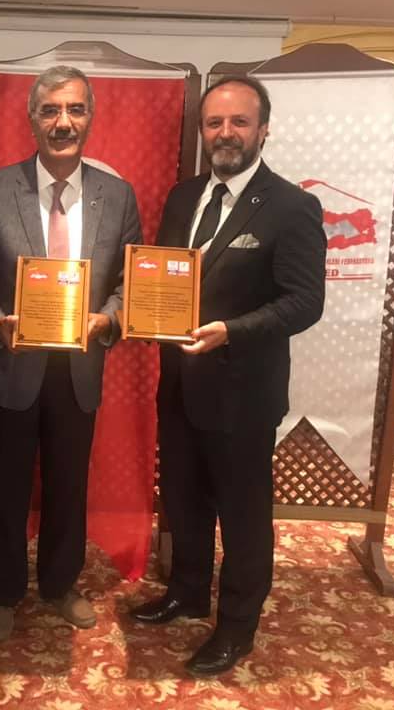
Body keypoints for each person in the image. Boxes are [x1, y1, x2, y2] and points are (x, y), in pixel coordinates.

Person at [129, 75, 326, 677]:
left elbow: (304, 302)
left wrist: (232, 331)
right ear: (202, 130)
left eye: (239, 121)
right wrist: (140, 311)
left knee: (243, 517)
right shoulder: (184, 196)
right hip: (180, 387)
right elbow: (165, 278)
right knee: (184, 501)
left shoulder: (291, 206)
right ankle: (188, 592)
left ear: (263, 129)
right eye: (215, 122)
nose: (226, 133)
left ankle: (237, 626)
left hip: (243, 395)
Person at [0, 65, 141, 643]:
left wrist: (108, 317)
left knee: (69, 485)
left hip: (79, 367)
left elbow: (130, 279)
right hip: (12, 363)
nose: (63, 122)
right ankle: (0, 591)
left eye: (75, 109)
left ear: (91, 117)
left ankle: (61, 584)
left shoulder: (118, 195)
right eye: (51, 110)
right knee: (5, 486)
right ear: (31, 118)